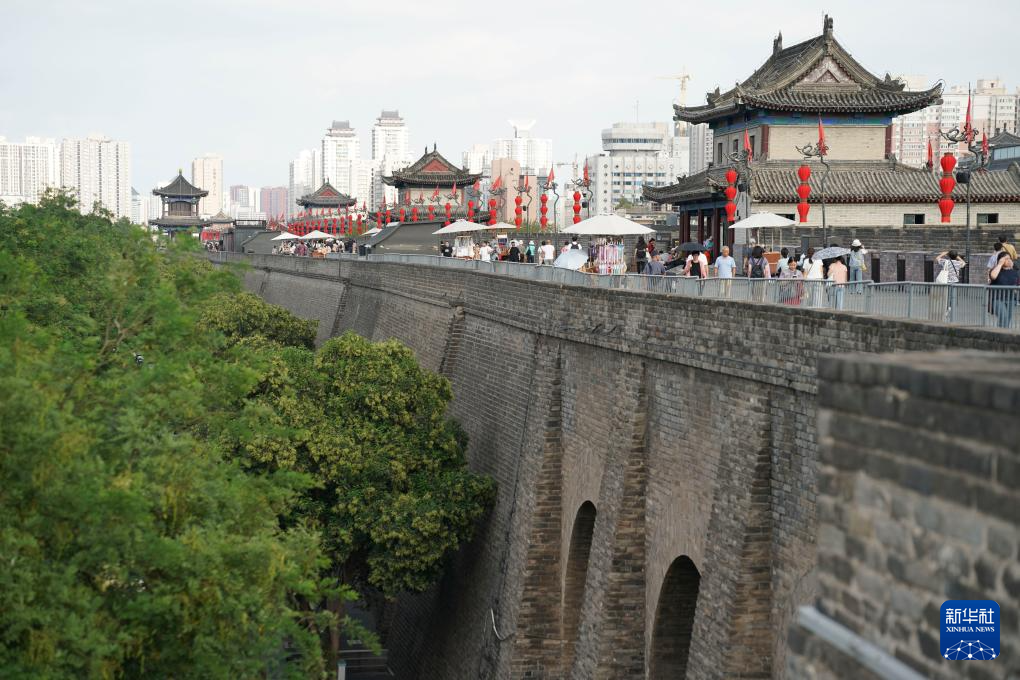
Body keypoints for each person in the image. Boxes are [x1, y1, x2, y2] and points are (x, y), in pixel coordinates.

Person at [989, 251, 1019, 328]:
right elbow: (993, 276)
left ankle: (1001, 333)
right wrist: (1000, 264)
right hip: (997, 299)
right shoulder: (995, 270)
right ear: (1000, 260)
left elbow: (1016, 284)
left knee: (1007, 320)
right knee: (1004, 317)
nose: (1009, 260)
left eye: (1009, 258)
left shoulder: (1014, 272)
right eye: (1006, 259)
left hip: (1010, 299)